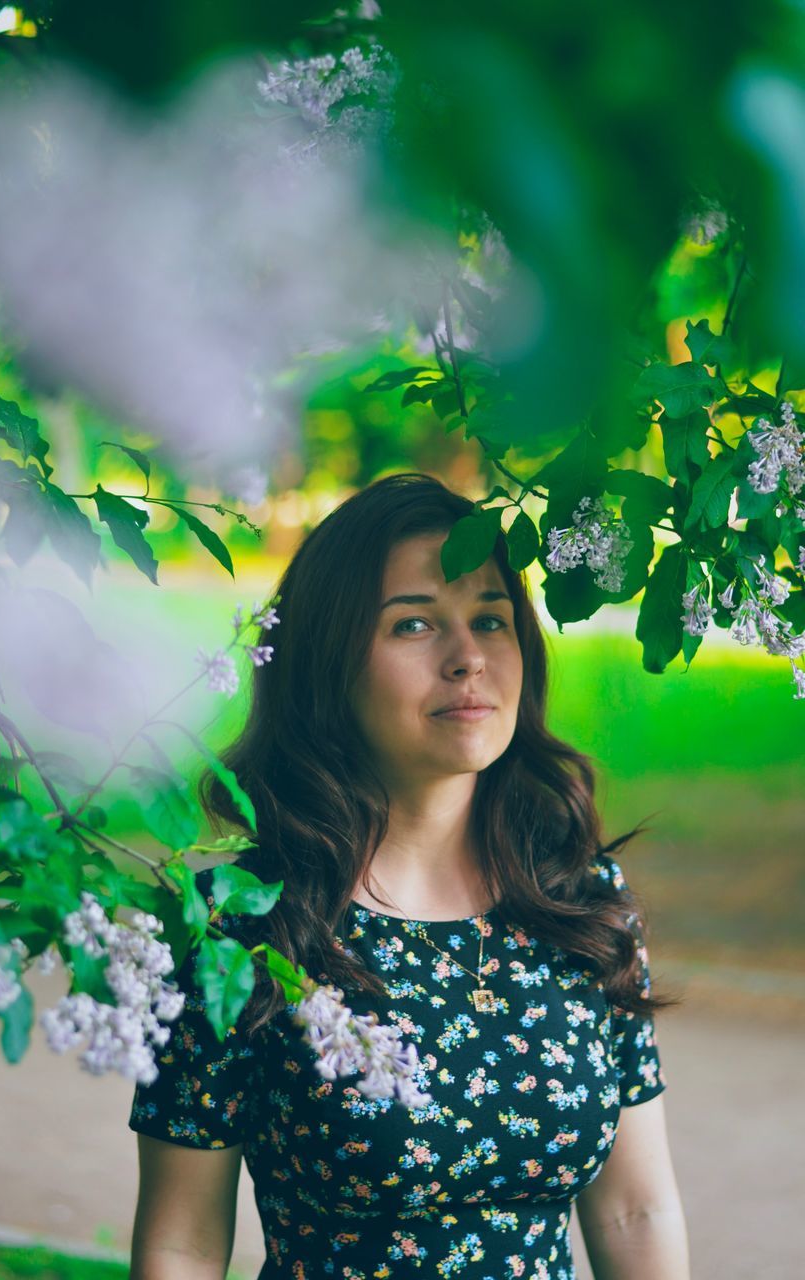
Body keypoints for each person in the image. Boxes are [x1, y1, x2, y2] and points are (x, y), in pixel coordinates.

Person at [128, 472, 690, 1279]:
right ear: (330, 663)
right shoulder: (239, 929)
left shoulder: (582, 900)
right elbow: (181, 1242)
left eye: (490, 620)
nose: (467, 659)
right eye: (415, 624)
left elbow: (638, 1210)